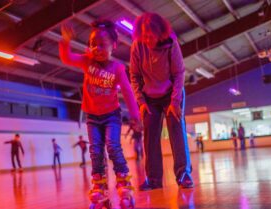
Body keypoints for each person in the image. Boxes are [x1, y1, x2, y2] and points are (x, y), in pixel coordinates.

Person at [59, 19, 141, 208]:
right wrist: (65, 41)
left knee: (112, 146)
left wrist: (135, 116)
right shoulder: (86, 61)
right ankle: (100, 185)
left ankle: (123, 181)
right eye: (93, 44)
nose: (97, 48)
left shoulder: (117, 68)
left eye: (102, 45)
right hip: (92, 117)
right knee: (95, 150)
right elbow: (67, 58)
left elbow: (128, 92)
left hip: (112, 115)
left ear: (114, 45)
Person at [130, 12, 193, 190]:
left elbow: (179, 73)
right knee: (150, 135)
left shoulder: (171, 44)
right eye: (144, 36)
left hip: (171, 94)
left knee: (176, 130)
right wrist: (141, 102)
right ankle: (154, 179)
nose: (147, 40)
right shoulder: (137, 46)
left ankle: (183, 174)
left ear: (160, 34)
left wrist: (174, 102)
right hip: (149, 97)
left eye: (151, 36)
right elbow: (134, 75)